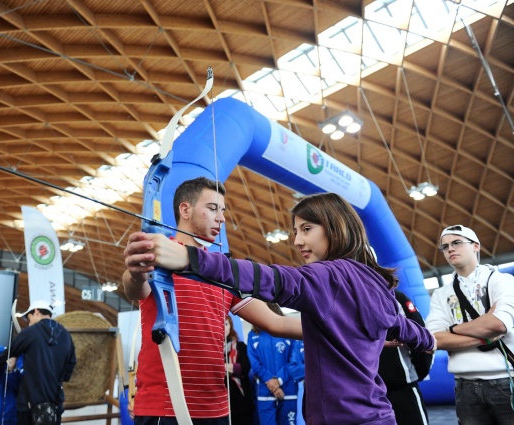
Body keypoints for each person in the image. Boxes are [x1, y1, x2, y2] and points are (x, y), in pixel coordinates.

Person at [125, 191, 436, 425]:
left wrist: (190, 259)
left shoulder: (326, 275)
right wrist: (429, 340)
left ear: (335, 227)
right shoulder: (375, 282)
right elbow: (406, 328)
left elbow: (271, 279)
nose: (298, 241)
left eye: (306, 229)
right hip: (378, 414)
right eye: (295, 231)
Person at [122, 177, 303, 424]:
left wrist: (337, 328)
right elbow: (135, 287)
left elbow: (275, 322)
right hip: (165, 408)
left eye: (223, 210)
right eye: (212, 208)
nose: (222, 218)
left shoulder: (221, 270)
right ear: (185, 210)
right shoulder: (161, 254)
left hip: (217, 409)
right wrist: (136, 271)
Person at [425, 224, 514, 424]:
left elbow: (498, 324)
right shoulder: (441, 294)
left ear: (476, 246)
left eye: (456, 243)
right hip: (464, 387)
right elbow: (434, 338)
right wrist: (485, 337)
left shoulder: (502, 281)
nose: (450, 249)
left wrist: (452, 329)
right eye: (445, 247)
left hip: (506, 382)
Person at [0, 300, 76, 425]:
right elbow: (68, 372)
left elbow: (4, 357)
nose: (29, 324)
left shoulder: (31, 333)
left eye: (29, 318)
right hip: (54, 406)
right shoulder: (66, 336)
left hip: (29, 406)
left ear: (36, 311)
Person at [379, 290, 432, 425]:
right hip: (363, 390)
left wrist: (414, 373)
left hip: (401, 386)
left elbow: (421, 336)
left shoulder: (393, 296)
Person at [247, 303, 305, 425]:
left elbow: (293, 361)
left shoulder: (289, 334)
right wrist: (273, 383)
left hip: (288, 390)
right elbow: (255, 364)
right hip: (265, 392)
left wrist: (279, 381)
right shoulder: (253, 335)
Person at [224, 315, 255, 425]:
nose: (223, 327)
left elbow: (244, 368)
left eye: (226, 324)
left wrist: (222, 367)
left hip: (241, 403)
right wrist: (232, 367)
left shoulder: (241, 346)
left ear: (231, 326)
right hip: (220, 402)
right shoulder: (211, 349)